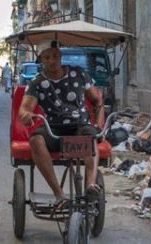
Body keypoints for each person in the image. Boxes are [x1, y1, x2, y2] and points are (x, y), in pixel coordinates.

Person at [18, 46, 105, 207]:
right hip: (53, 128)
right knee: (36, 139)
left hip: (80, 126)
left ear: (60, 56)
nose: (51, 61)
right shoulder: (37, 82)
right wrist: (25, 115)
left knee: (89, 137)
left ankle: (91, 186)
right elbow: (25, 108)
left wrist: (99, 124)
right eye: (47, 58)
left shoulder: (78, 73)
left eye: (55, 56)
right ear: (41, 60)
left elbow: (97, 101)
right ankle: (59, 194)